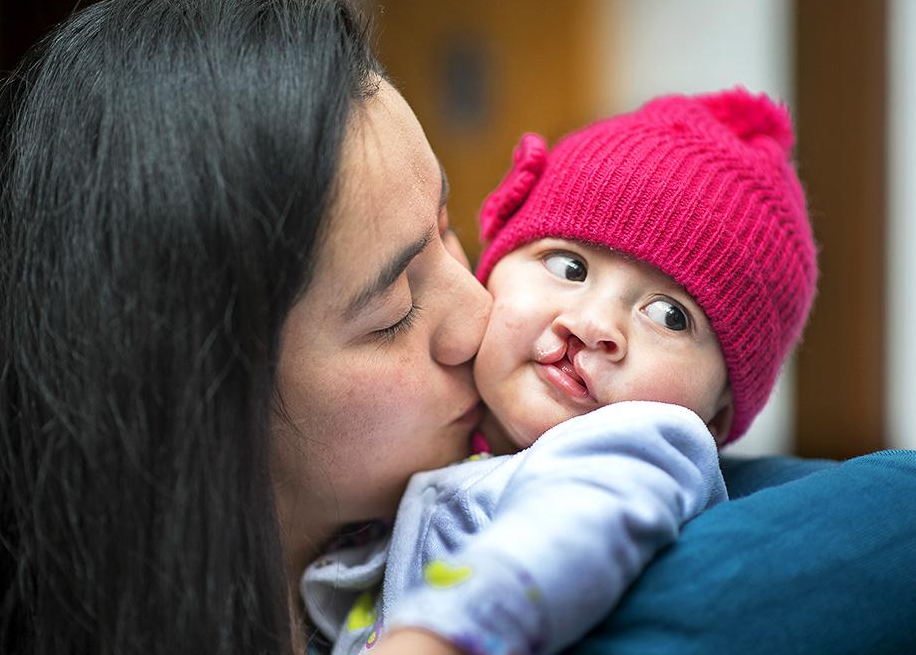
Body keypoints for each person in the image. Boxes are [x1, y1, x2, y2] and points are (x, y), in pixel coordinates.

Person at [0, 0, 916, 655]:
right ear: (201, 415)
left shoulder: (632, 473)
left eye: (452, 232)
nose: (478, 311)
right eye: (390, 310)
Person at [302, 89, 817, 655]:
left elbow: (568, 531)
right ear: (494, 264)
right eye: (568, 265)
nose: (593, 322)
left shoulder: (635, 450)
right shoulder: (426, 432)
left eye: (670, 316)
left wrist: (438, 638)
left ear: (715, 419)